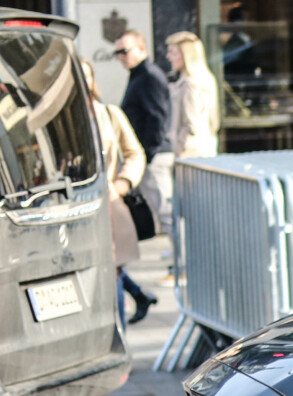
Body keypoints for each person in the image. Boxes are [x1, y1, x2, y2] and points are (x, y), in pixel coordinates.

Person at [81, 60, 154, 326]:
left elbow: (135, 153)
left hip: (109, 204)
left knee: (113, 271)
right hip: (73, 208)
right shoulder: (52, 119)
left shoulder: (110, 114)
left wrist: (124, 182)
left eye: (86, 75)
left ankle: (120, 341)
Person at [114, 29, 171, 236]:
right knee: (159, 212)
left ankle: (183, 264)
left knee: (165, 211)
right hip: (147, 155)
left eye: (125, 51)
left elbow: (158, 118)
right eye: (117, 53)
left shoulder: (148, 76)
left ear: (141, 49)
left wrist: (147, 155)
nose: (121, 57)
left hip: (152, 156)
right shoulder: (139, 75)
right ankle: (179, 261)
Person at [165, 32, 220, 159]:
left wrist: (181, 146)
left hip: (191, 153)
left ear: (186, 55)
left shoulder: (191, 83)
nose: (168, 57)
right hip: (203, 147)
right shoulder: (205, 78)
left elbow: (192, 124)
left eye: (173, 53)